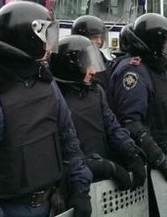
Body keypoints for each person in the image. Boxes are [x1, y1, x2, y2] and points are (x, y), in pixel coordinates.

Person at [0, 1, 93, 217]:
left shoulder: (46, 83)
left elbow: (68, 138)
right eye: (45, 35)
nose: (48, 44)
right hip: (6, 208)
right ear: (27, 39)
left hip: (52, 204)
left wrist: (80, 188)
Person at [107, 13, 167, 183]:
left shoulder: (158, 67)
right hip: (152, 158)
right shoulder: (133, 70)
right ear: (154, 43)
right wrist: (158, 157)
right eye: (166, 42)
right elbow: (131, 122)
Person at [51, 35, 146, 191]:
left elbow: (112, 127)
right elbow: (63, 151)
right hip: (76, 180)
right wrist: (104, 167)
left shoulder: (96, 91)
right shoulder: (56, 100)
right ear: (70, 67)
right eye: (87, 66)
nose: (93, 71)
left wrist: (131, 152)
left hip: (103, 174)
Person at [71, 15, 112, 89]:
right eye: (95, 37)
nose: (99, 41)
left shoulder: (102, 59)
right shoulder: (72, 62)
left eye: (101, 37)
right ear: (82, 37)